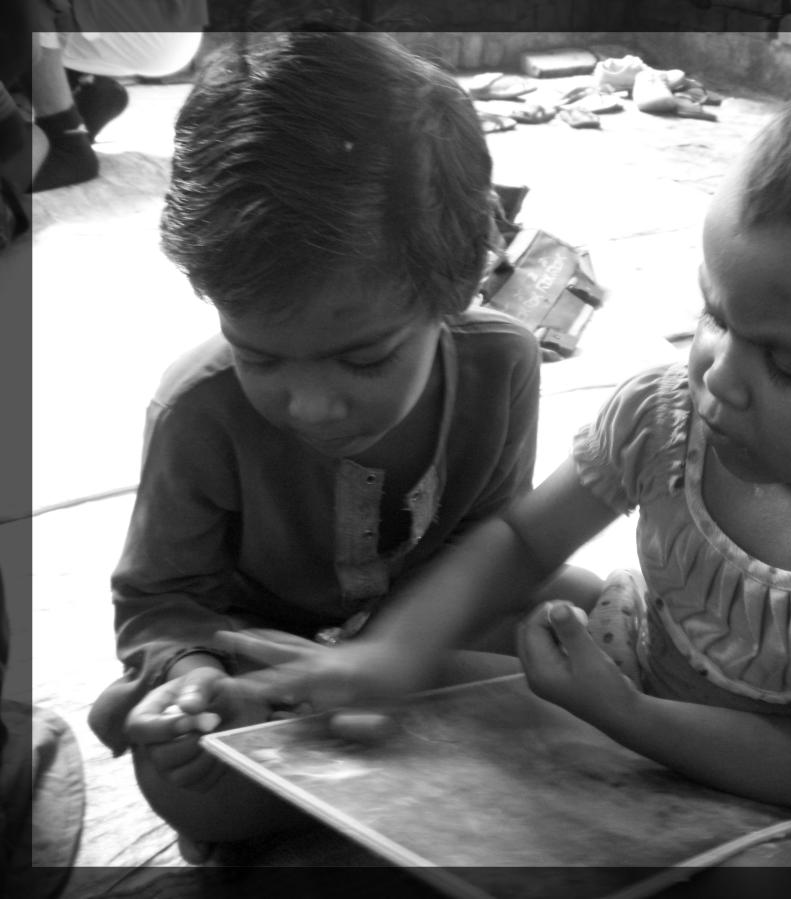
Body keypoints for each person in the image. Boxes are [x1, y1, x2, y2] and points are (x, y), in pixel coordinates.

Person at [224, 71, 791, 892]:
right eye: (715, 314)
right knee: (509, 611)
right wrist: (394, 653)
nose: (721, 378)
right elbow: (522, 537)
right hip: (640, 662)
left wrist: (622, 714)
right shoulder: (671, 412)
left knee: (772, 881)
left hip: (788, 788)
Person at [85, 32, 600, 862]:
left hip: (417, 638)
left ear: (458, 283)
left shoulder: (503, 361)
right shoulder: (198, 412)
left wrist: (391, 652)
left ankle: (341, 779)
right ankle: (380, 766)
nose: (312, 404)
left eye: (365, 358)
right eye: (258, 355)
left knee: (589, 618)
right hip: (266, 660)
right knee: (184, 774)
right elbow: (161, 597)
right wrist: (185, 675)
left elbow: (493, 546)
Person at [30, 0, 208, 191]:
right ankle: (84, 88)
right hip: (176, 24)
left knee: (20, 13)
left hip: (142, 25)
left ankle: (65, 140)